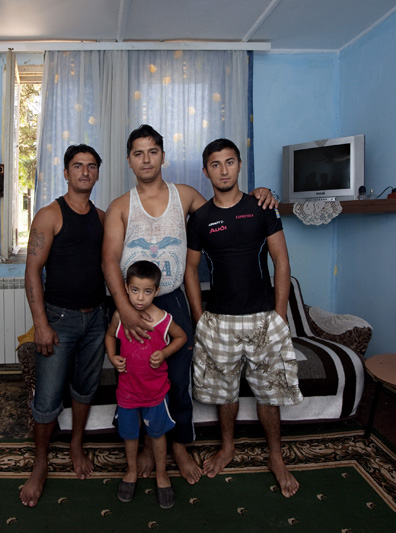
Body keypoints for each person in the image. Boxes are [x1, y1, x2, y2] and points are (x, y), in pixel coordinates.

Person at [102, 125, 277, 485]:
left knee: (178, 380)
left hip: (173, 301)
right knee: (136, 378)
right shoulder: (120, 206)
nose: (146, 160)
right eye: (138, 153)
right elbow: (109, 262)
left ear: (163, 157)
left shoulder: (184, 196)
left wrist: (260, 194)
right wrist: (126, 310)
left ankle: (179, 447)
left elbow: (226, 206)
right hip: (132, 305)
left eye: (153, 152)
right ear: (129, 161)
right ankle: (148, 445)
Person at [183, 138, 304, 498]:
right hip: (219, 321)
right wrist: (199, 317)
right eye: (215, 164)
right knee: (225, 393)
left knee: (270, 394)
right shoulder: (200, 218)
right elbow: (190, 270)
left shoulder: (261, 206)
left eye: (229, 162)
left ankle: (276, 456)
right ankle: (227, 447)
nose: (223, 170)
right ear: (206, 171)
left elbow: (281, 261)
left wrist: (280, 315)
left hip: (264, 318)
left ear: (239, 165)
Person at [20, 144, 108, 508]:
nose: (85, 172)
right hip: (59, 319)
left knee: (85, 389)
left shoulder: (102, 217)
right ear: (66, 172)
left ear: (97, 172)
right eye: (78, 166)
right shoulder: (50, 215)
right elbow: (32, 271)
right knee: (47, 398)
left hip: (97, 318)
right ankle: (40, 463)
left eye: (91, 166)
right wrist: (40, 324)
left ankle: (75, 446)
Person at [105, 260, 187, 509]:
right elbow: (109, 335)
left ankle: (162, 475)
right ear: (126, 288)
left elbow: (181, 337)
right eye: (135, 290)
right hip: (128, 394)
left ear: (157, 291)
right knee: (130, 436)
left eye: (147, 291)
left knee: (158, 435)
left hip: (156, 394)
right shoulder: (121, 316)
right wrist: (112, 357)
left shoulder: (163, 319)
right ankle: (131, 471)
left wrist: (165, 353)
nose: (140, 298)